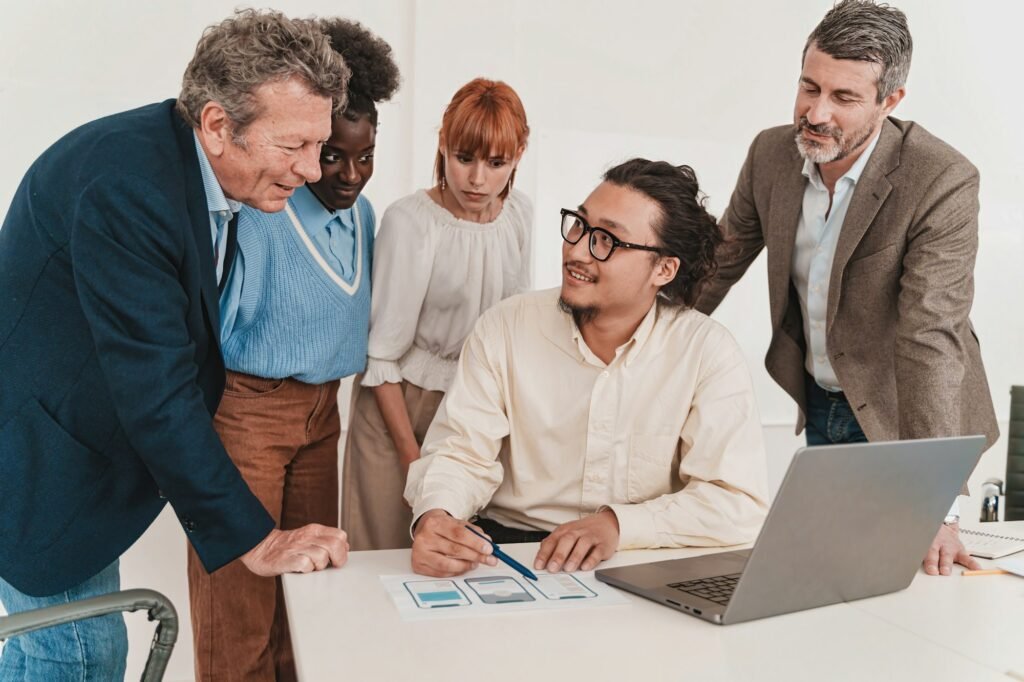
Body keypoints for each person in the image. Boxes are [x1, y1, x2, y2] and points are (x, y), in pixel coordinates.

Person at [0, 11, 351, 679]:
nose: (312, 169)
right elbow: (155, 384)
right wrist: (255, 539)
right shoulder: (126, 186)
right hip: (40, 460)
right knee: (77, 653)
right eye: (294, 145)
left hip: (80, 448)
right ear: (218, 125)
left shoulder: (185, 164)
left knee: (61, 647)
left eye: (319, 144)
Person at [693, 0, 999, 577]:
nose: (815, 112)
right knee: (831, 576)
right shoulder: (769, 154)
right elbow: (718, 264)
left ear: (890, 102)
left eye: (844, 98)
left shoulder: (941, 179)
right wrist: (635, 336)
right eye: (809, 87)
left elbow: (930, 337)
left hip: (903, 413)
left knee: (906, 582)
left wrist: (940, 502)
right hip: (817, 398)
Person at [405, 159, 769, 578]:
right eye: (579, 225)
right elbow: (460, 453)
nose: (577, 250)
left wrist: (618, 524)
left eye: (607, 240)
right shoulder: (505, 326)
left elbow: (737, 502)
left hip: (638, 556)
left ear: (664, 269)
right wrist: (437, 514)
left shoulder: (707, 351)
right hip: (511, 552)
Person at [185, 19, 399, 682]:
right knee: (240, 606)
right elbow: (207, 322)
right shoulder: (262, 205)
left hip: (322, 415)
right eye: (327, 154)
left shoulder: (363, 216)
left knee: (309, 595)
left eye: (363, 157)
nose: (344, 173)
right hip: (249, 411)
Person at [341, 78, 533, 551]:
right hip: (399, 409)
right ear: (443, 145)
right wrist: (414, 465)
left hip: (475, 411)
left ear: (519, 154)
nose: (477, 180)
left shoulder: (519, 215)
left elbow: (515, 327)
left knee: (460, 564)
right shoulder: (411, 222)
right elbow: (381, 357)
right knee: (383, 564)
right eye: (464, 158)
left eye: (496, 163)